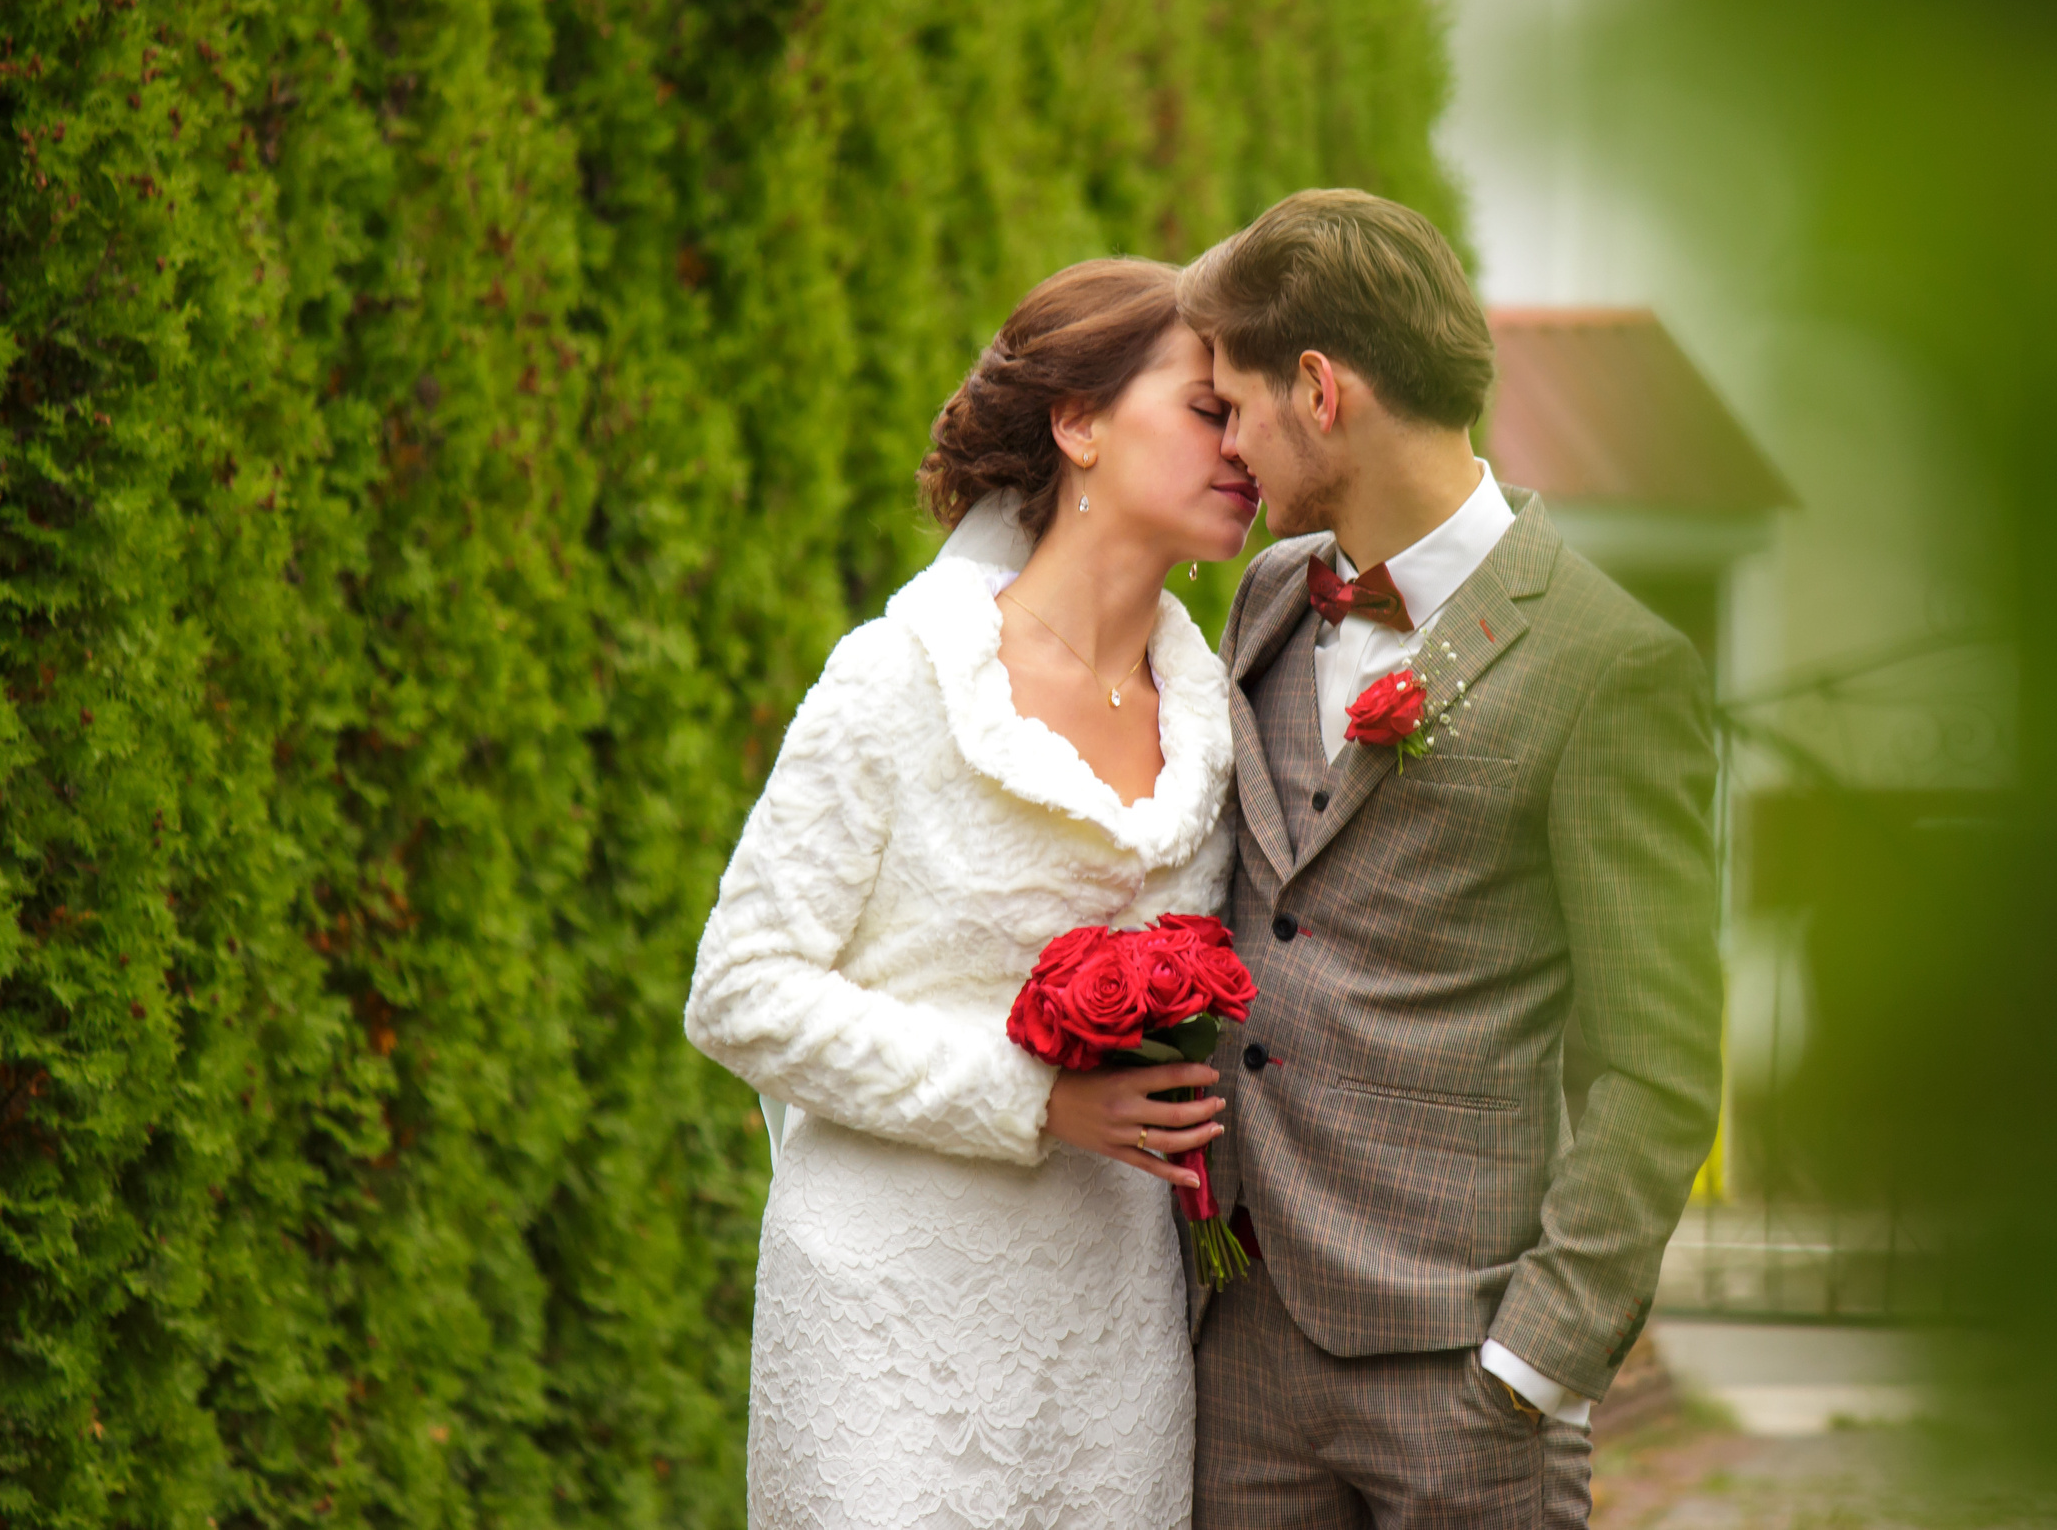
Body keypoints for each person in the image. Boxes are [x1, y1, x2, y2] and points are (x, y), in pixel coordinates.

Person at [682, 257, 1261, 1529]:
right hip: (883, 1319)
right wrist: (1034, 1097)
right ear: (1080, 424)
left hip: (1110, 1333)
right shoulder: (900, 678)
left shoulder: (1224, 722)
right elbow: (738, 995)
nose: (1244, 444)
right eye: (1205, 408)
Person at [1176, 191, 1723, 1529]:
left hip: (1462, 1383)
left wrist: (1531, 1365)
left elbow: (1655, 1064)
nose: (1228, 445)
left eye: (1233, 404)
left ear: (1319, 389)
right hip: (1244, 1350)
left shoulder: (1610, 665)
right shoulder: (1268, 595)